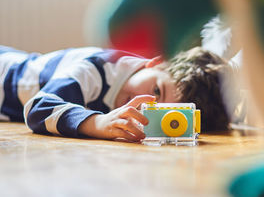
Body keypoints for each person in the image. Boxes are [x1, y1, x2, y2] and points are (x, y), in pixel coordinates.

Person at [0, 45, 230, 141]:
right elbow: (37, 107)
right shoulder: (98, 68)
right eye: (156, 91)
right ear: (157, 63)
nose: (144, 107)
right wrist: (98, 123)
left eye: (159, 113)